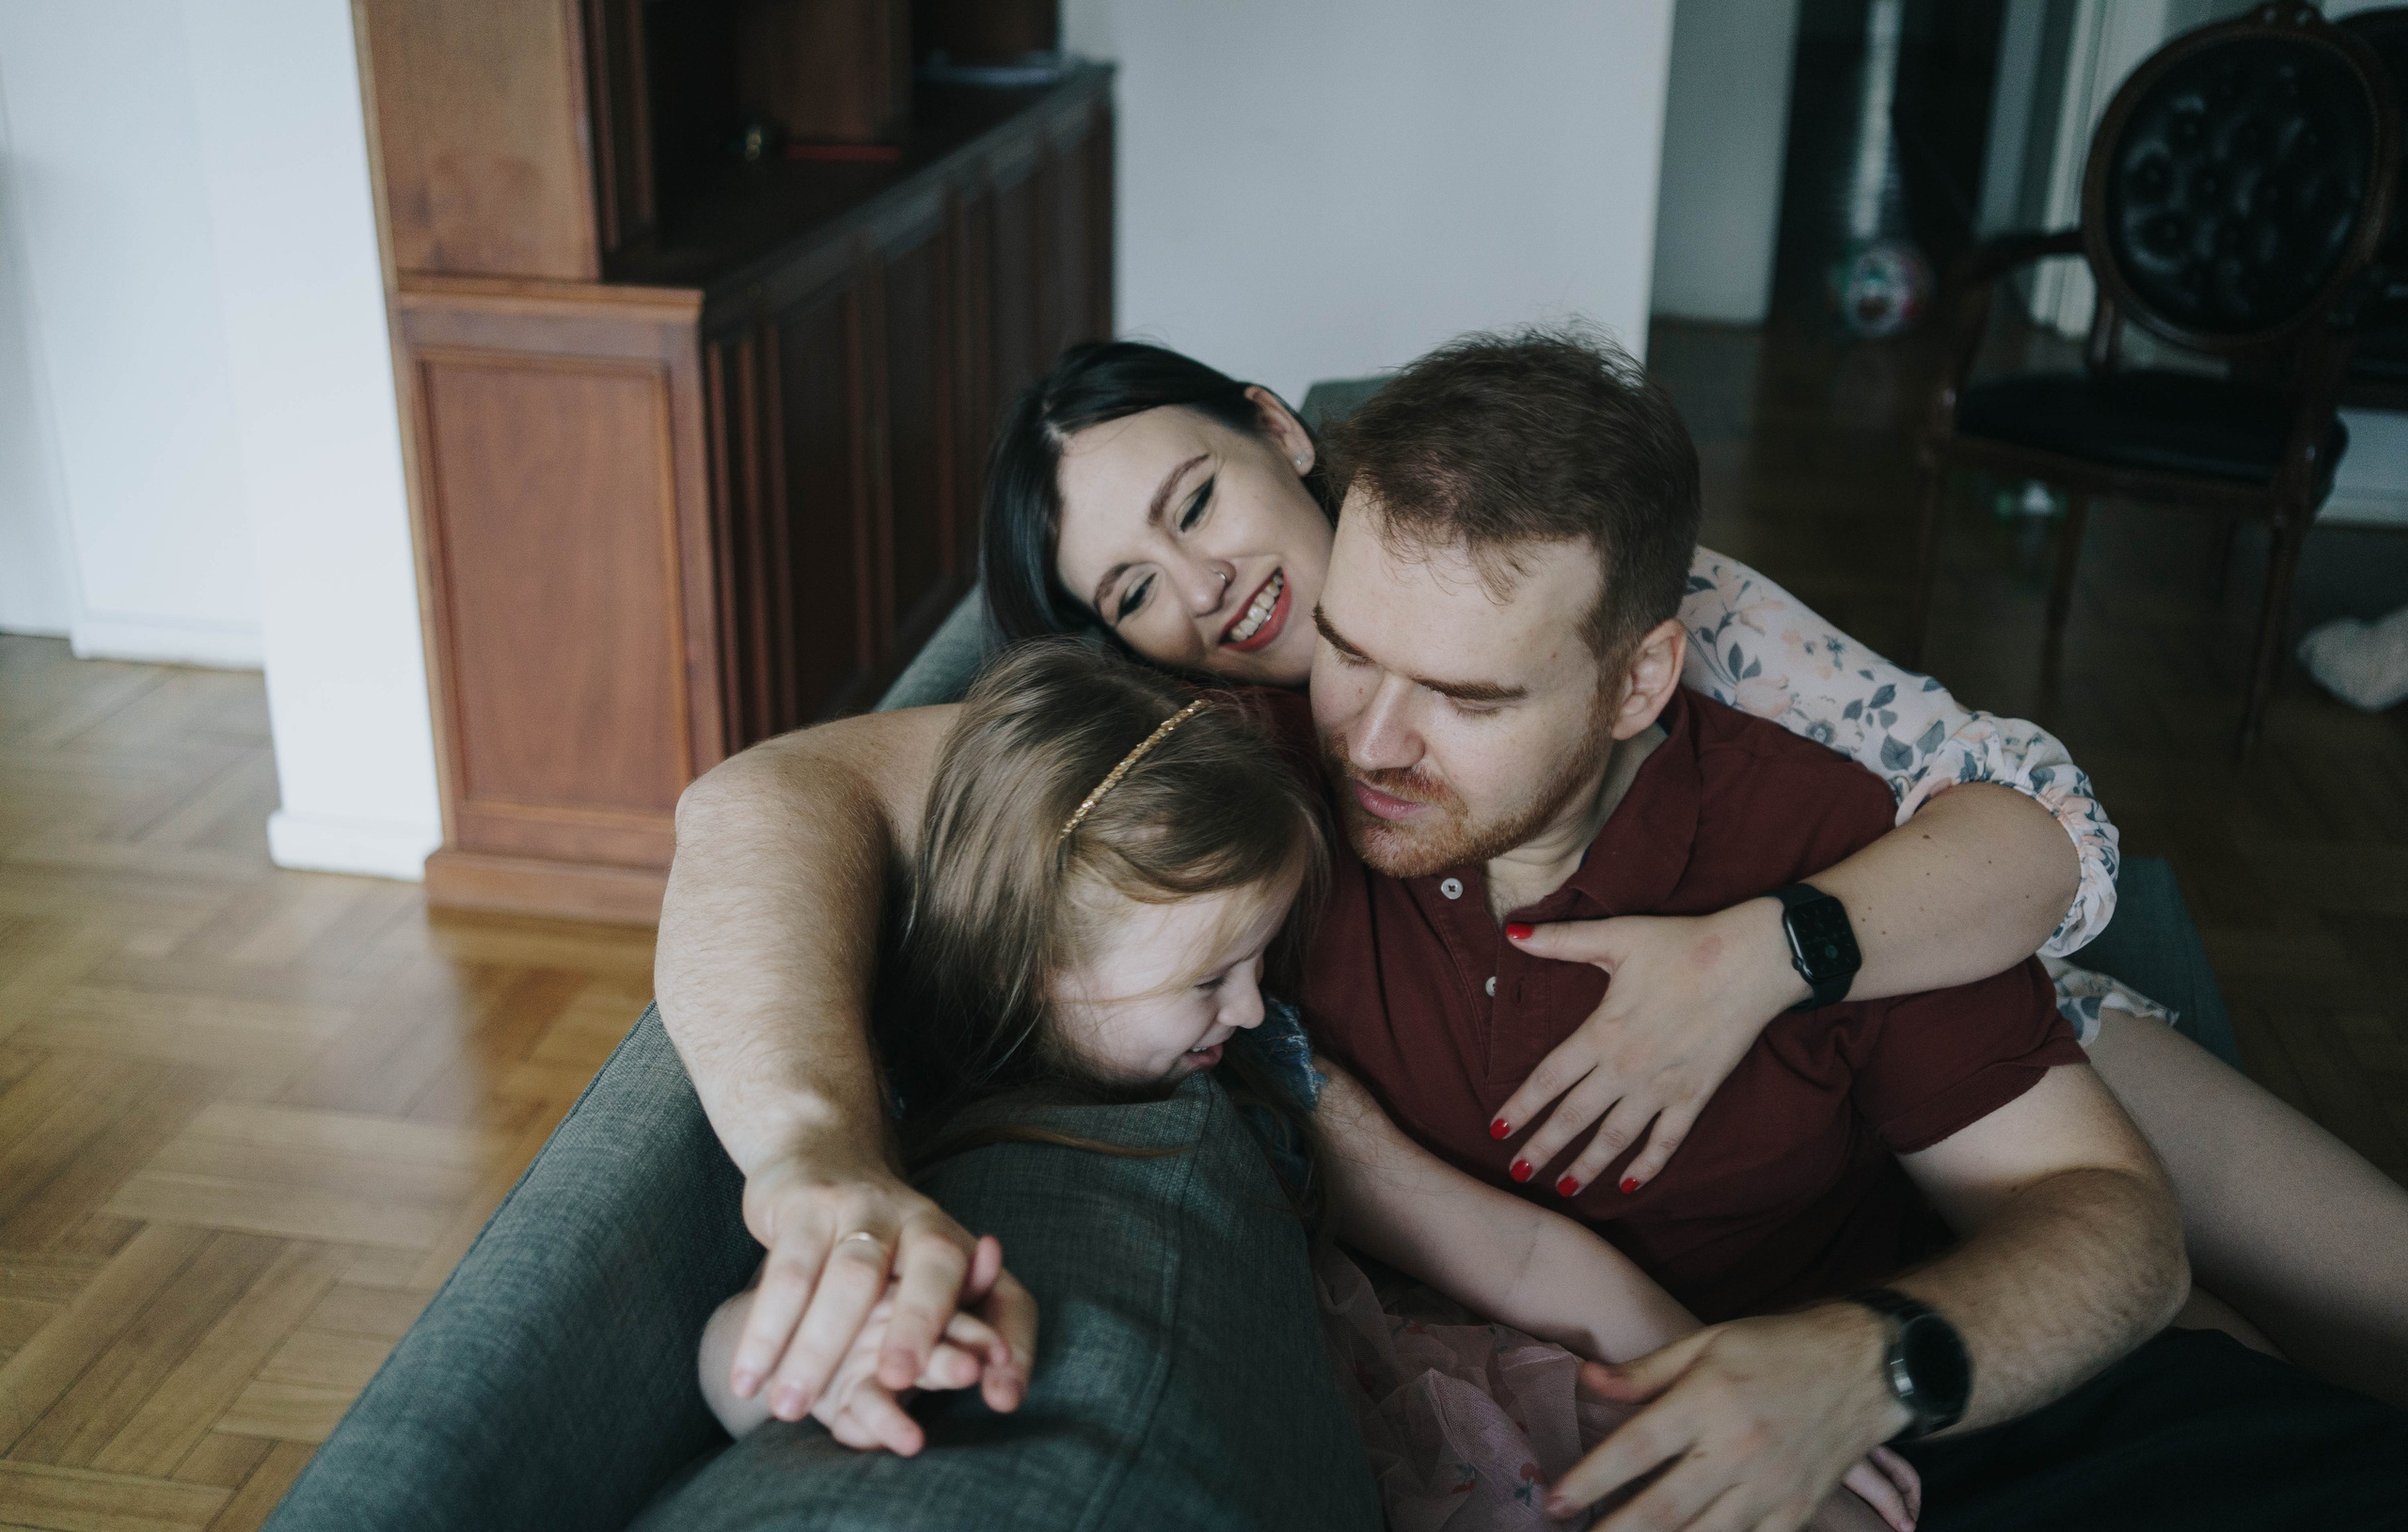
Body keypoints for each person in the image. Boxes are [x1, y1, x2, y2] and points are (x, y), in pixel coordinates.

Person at [657, 326, 2406, 1529]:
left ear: (1641, 672)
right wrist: (816, 1159)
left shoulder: (1788, 780)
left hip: (1947, 1279)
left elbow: (2104, 1206)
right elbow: (760, 806)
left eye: (1469, 696)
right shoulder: (1223, 770)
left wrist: (1867, 1353)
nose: (1374, 740)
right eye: (1347, 650)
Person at [696, 640, 1920, 1529]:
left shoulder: (1265, 1059)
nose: (1248, 1009)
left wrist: (1707, 1365)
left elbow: (1510, 1253)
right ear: (1035, 965)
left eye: (1258, 963)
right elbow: (724, 1357)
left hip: (1435, 1389)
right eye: (1207, 977)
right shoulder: (921, 1120)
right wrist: (809, 1346)